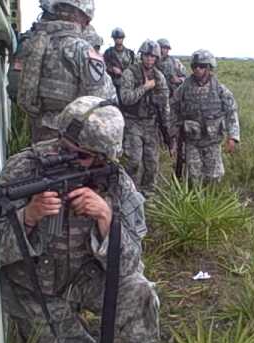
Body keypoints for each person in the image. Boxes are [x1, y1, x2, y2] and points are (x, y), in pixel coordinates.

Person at [0, 96, 162, 343]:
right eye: (64, 145)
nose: (66, 157)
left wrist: (106, 218)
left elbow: (129, 265)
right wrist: (27, 216)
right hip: (36, 287)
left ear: (102, 158)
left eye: (81, 155)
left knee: (140, 293)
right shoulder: (24, 170)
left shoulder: (116, 181)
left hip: (87, 278)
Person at [17, 0, 114, 143]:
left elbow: (25, 99)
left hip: (41, 133)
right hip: (72, 139)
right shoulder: (81, 49)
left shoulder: (37, 43)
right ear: (84, 18)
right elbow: (102, 99)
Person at [173, 49, 240, 184]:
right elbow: (173, 108)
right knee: (193, 176)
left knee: (214, 176)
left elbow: (231, 112)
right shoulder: (184, 88)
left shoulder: (220, 89)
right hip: (192, 141)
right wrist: (173, 134)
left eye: (202, 66)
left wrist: (233, 137)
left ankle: (210, 202)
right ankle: (193, 203)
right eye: (195, 66)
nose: (198, 69)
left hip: (212, 141)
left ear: (209, 67)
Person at [119, 40, 173, 196]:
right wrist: (145, 87)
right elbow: (126, 98)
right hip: (132, 121)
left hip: (151, 123)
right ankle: (129, 193)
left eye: (153, 57)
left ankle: (148, 193)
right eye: (147, 56)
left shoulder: (159, 77)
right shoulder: (130, 73)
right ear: (141, 56)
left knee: (152, 163)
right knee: (133, 161)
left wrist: (167, 129)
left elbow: (164, 104)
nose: (149, 60)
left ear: (157, 58)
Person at [103, 28, 136, 99]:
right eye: (116, 38)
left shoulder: (130, 54)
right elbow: (103, 66)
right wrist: (112, 69)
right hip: (112, 85)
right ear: (113, 39)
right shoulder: (108, 52)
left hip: (127, 85)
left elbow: (135, 70)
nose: (118, 39)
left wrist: (123, 73)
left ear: (123, 38)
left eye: (120, 37)